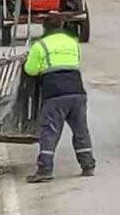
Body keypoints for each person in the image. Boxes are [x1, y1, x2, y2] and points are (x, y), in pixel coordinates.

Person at [23, 14, 95, 183]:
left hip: (55, 94)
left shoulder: (40, 45)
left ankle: (45, 169)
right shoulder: (73, 43)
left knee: (49, 131)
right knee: (81, 130)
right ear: (61, 26)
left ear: (45, 28)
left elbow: (31, 70)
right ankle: (88, 165)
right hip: (77, 92)